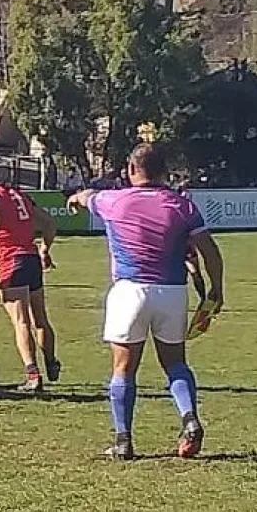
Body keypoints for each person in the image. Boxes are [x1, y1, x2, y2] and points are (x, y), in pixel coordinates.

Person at [67, 142, 224, 460]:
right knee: (176, 363)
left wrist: (75, 199)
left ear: (129, 171)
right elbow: (209, 250)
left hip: (130, 292)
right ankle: (190, 419)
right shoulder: (182, 206)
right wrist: (215, 289)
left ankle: (123, 441)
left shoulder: (113, 200)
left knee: (124, 368)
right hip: (171, 292)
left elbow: (85, 197)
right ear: (164, 172)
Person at [0, 160, 62, 392]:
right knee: (41, 319)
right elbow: (48, 223)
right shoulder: (17, 194)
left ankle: (33, 375)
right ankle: (51, 361)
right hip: (31, 259)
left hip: (10, 262)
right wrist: (45, 249)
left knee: (21, 321)